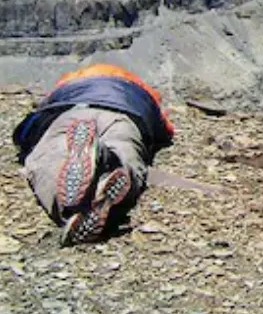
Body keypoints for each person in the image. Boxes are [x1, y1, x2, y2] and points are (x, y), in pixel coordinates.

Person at [12, 64, 175, 246]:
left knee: (51, 157)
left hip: (71, 112)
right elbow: (164, 130)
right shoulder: (143, 91)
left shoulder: (65, 86)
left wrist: (27, 141)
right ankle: (112, 163)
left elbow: (27, 128)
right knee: (127, 151)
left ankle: (68, 208)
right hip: (126, 113)